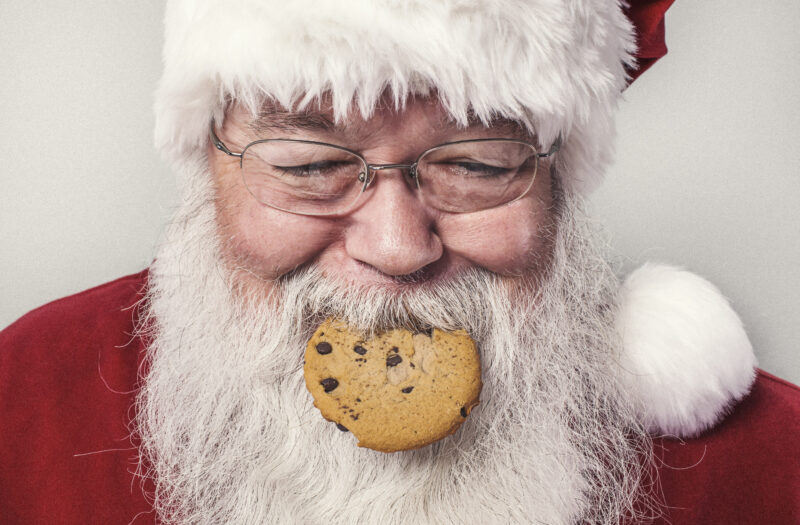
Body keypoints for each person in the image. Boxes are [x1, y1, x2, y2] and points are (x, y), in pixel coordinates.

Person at [1, 1, 798, 524]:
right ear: (207, 164)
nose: (396, 247)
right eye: (309, 165)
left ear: (559, 184)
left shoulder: (773, 468)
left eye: (480, 166)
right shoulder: (24, 402)